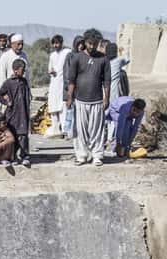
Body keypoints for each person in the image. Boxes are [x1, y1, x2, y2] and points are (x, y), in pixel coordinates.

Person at [64, 28, 111, 166]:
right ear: (85, 42)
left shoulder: (103, 59)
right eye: (90, 43)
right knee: (80, 130)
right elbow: (71, 80)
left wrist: (106, 98)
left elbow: (107, 81)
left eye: (95, 44)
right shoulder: (77, 57)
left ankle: (97, 155)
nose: (92, 46)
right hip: (80, 100)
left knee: (97, 130)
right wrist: (69, 97)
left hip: (97, 100)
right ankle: (82, 155)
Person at [0, 59, 32, 168]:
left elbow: (27, 96)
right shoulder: (8, 83)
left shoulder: (24, 82)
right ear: (15, 70)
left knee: (23, 134)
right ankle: (12, 157)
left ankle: (25, 156)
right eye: (22, 70)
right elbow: (0, 94)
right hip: (12, 114)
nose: (24, 72)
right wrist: (6, 101)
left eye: (24, 70)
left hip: (23, 112)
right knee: (13, 135)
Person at [46, 35, 71, 137]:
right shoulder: (52, 55)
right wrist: (51, 71)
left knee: (63, 107)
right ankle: (55, 128)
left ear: (61, 43)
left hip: (63, 83)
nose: (56, 45)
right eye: (54, 43)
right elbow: (49, 69)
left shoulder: (67, 52)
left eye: (57, 43)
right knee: (53, 106)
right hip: (54, 83)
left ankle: (64, 129)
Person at [0, 34, 26, 108]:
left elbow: (27, 76)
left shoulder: (24, 56)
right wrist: (4, 94)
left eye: (22, 44)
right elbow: (2, 78)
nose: (20, 46)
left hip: (21, 92)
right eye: (18, 44)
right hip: (9, 93)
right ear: (12, 44)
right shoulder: (5, 57)